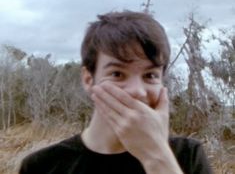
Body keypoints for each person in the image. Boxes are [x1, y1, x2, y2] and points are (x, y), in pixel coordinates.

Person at [19, 10, 213, 174]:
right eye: (117, 74)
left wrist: (156, 156)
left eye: (150, 75)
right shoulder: (42, 166)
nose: (137, 91)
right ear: (89, 79)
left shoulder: (187, 156)